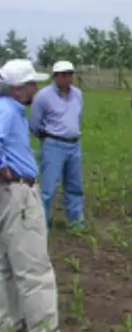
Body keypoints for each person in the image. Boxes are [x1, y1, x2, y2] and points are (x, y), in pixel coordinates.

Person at [0, 59, 77, 332]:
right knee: (34, 265)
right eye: (32, 83)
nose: (37, 87)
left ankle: (9, 324)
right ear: (18, 89)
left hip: (7, 193)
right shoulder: (7, 112)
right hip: (17, 192)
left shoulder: (8, 110)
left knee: (6, 264)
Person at [28, 60, 84, 229]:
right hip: (53, 145)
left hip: (74, 145)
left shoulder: (78, 94)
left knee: (75, 187)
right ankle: (42, 225)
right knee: (48, 188)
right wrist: (47, 138)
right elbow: (34, 124)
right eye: (64, 75)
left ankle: (76, 223)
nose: (69, 78)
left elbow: (78, 118)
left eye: (70, 74)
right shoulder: (43, 96)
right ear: (55, 77)